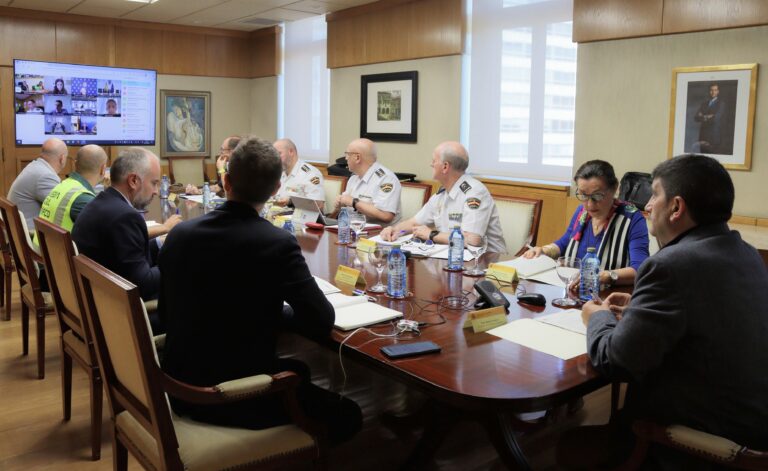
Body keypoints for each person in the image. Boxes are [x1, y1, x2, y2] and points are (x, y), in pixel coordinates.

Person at [558, 155, 768, 469]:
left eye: (655, 195)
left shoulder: (671, 264)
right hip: (752, 421)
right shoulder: (746, 253)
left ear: (676, 207)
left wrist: (597, 315)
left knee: (566, 447)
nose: (648, 205)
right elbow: (702, 317)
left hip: (693, 442)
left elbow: (616, 362)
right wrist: (637, 308)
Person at [159, 136, 362, 445]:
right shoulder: (276, 243)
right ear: (276, 190)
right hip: (231, 395)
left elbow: (166, 311)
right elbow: (321, 319)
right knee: (350, 414)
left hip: (176, 381)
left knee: (299, 370)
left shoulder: (180, 234)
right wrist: (279, 313)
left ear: (226, 181)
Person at [72, 147, 180, 304]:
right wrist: (180, 259)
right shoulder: (125, 217)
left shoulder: (100, 202)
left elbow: (126, 255)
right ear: (133, 181)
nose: (156, 191)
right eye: (154, 183)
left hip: (98, 301)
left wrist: (160, 243)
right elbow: (144, 285)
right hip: (121, 315)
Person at [524, 160, 649, 288]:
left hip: (609, 297)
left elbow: (640, 269)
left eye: (597, 196)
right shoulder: (581, 212)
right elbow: (565, 242)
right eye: (583, 195)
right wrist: (544, 250)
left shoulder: (632, 218)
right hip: (575, 292)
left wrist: (606, 276)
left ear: (614, 188)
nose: (589, 205)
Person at [380, 141, 506, 252]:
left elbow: (472, 240)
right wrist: (395, 229)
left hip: (486, 263)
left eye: (434, 161)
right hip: (452, 257)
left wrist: (432, 234)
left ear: (445, 167)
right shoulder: (442, 193)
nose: (431, 164)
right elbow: (414, 222)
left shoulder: (474, 192)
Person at [35, 145, 107, 237]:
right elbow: (106, 232)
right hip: (58, 250)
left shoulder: (64, 185)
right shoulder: (83, 199)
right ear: (103, 169)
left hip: (43, 248)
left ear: (75, 164)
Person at [335, 138, 401, 226]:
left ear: (357, 157)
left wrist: (353, 202)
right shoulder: (354, 178)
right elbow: (347, 207)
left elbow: (386, 216)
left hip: (380, 234)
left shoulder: (386, 179)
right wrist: (340, 205)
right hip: (354, 228)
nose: (346, 158)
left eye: (347, 154)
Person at [8, 138, 67, 229]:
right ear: (62, 158)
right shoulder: (45, 176)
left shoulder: (36, 167)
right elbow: (65, 207)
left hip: (19, 232)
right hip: (30, 236)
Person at [273, 138, 325, 210]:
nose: (275, 158)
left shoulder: (310, 173)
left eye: (279, 153)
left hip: (300, 218)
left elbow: (318, 204)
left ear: (291, 152)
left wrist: (291, 201)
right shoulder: (280, 172)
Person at [694, 83, 724, 154]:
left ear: (718, 91)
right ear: (709, 91)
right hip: (703, 135)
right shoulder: (704, 104)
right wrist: (708, 116)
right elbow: (696, 118)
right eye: (711, 90)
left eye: (715, 90)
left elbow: (716, 118)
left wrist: (703, 116)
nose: (713, 92)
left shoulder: (721, 104)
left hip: (713, 136)